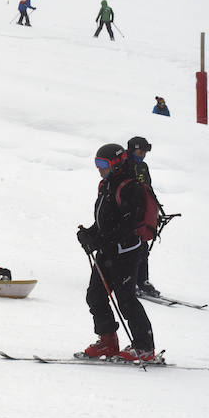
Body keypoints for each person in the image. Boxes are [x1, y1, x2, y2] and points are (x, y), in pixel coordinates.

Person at [76, 144, 156, 362]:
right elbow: (105, 221)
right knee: (95, 295)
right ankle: (108, 342)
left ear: (117, 163)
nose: (99, 169)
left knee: (126, 299)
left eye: (103, 164)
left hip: (126, 252)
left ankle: (144, 347)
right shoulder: (106, 185)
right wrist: (90, 234)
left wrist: (100, 239)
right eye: (96, 164)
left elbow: (128, 224)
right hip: (107, 251)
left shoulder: (131, 187)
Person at [127, 136, 161, 298]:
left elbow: (149, 189)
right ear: (132, 149)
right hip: (129, 212)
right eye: (140, 151)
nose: (143, 155)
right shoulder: (124, 165)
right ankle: (129, 280)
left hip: (143, 212)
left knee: (143, 247)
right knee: (131, 247)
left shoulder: (143, 167)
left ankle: (142, 280)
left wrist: (155, 212)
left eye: (145, 152)